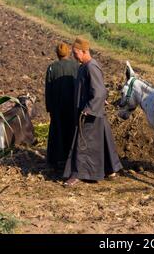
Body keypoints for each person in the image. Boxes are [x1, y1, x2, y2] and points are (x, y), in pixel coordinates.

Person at [63, 37, 122, 186]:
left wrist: (89, 108)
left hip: (89, 113)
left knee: (82, 143)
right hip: (93, 110)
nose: (74, 56)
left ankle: (77, 174)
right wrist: (99, 100)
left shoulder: (91, 67)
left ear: (83, 52)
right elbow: (98, 89)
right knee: (101, 141)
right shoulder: (84, 66)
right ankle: (111, 169)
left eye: (75, 53)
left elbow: (100, 91)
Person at [45, 42, 80, 170]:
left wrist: (49, 107)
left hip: (57, 107)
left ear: (57, 54)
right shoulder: (76, 66)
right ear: (69, 53)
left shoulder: (52, 68)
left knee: (56, 132)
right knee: (71, 131)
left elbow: (48, 89)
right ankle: (70, 158)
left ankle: (55, 159)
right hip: (72, 106)